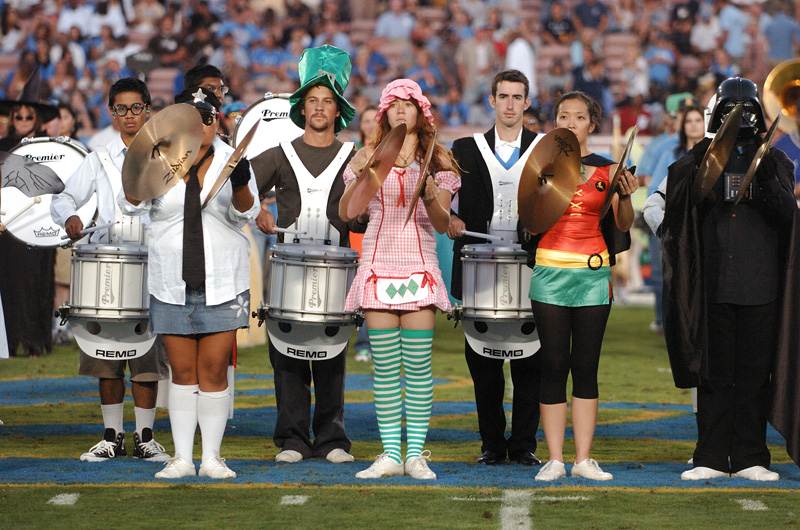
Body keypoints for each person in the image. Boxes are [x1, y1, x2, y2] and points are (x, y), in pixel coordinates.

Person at [119, 87, 259, 479]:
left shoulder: (232, 161)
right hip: (171, 278)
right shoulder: (159, 160)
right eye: (193, 118)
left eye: (210, 117)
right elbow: (129, 201)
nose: (202, 125)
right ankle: (182, 457)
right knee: (181, 373)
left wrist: (242, 180)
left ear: (218, 122)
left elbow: (245, 214)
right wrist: (141, 162)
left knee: (214, 370)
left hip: (221, 278)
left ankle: (212, 457)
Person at [662, 78, 796, 482]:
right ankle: (712, 456)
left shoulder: (776, 161)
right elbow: (675, 210)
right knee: (714, 374)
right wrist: (707, 160)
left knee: (755, 375)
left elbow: (788, 214)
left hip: (761, 285)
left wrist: (765, 169)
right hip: (712, 286)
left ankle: (752, 455)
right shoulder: (694, 160)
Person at [340, 78, 460, 480]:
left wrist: (429, 193)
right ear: (385, 113)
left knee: (418, 366)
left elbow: (442, 224)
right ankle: (392, 453)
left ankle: (416, 455)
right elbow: (349, 212)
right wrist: (358, 174)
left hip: (420, 262)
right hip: (377, 262)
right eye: (395, 104)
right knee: (386, 368)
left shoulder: (439, 161)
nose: (402, 110)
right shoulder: (368, 155)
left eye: (410, 104)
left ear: (421, 113)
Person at [250, 45, 364, 466]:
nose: (319, 108)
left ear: (338, 111)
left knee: (332, 353)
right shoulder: (280, 153)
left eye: (327, 102)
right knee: (287, 352)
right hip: (288, 265)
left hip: (336, 266)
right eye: (312, 101)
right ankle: (293, 439)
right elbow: (237, 188)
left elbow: (365, 215)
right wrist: (257, 209)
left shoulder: (355, 157)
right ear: (302, 108)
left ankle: (332, 438)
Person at [50, 77, 170, 462]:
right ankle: (112, 435)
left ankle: (146, 437)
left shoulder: (166, 156)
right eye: (121, 108)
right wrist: (69, 215)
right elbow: (66, 194)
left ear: (148, 109)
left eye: (137, 108)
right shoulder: (98, 156)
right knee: (107, 353)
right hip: (107, 265)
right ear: (110, 112)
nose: (129, 116)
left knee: (146, 355)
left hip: (152, 263)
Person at [530, 91, 637, 482]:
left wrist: (626, 194)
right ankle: (555, 459)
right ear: (555, 122)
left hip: (593, 275)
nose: (571, 122)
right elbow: (531, 219)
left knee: (586, 367)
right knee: (554, 364)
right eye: (563, 116)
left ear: (593, 124)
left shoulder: (609, 170)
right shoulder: (541, 164)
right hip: (549, 273)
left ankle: (584, 459)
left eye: (579, 117)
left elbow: (623, 225)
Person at [448, 69, 543, 468]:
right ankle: (491, 443)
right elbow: (440, 198)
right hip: (477, 267)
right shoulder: (464, 148)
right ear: (491, 101)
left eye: (516, 97)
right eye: (502, 96)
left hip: (532, 268)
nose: (509, 104)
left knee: (530, 363)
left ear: (526, 102)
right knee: (483, 364)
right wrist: (447, 216)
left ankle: (523, 445)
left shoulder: (544, 149)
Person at [0, 71, 60, 358]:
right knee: (10, 282)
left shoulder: (54, 148)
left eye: (28, 116)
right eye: (18, 116)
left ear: (37, 118)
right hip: (9, 227)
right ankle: (11, 341)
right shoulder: (2, 147)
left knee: (40, 281)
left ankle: (37, 341)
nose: (23, 121)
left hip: (41, 224)